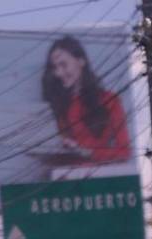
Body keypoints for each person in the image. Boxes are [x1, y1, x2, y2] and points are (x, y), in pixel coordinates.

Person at [42, 36, 130, 165]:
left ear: (81, 61)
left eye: (63, 65)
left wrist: (88, 153)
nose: (59, 73)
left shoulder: (109, 100)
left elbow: (124, 152)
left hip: (101, 177)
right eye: (54, 68)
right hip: (67, 177)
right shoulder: (60, 104)